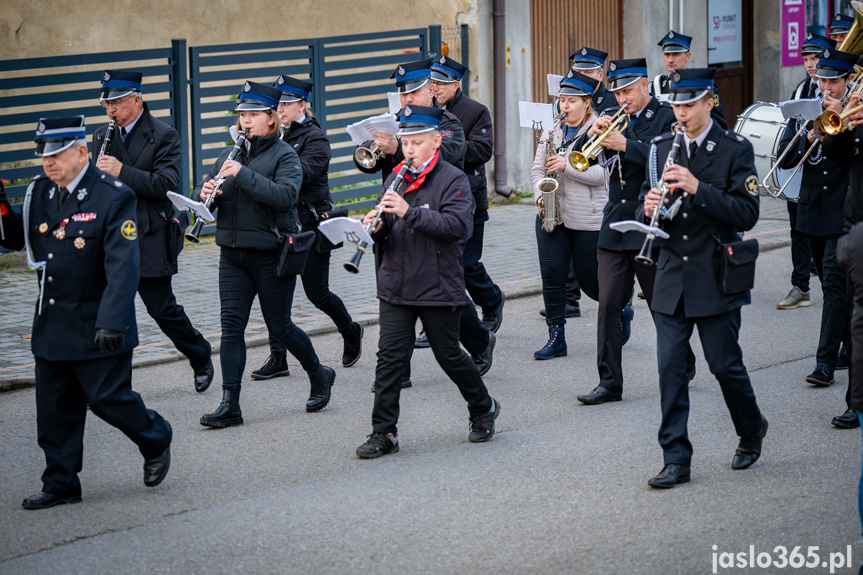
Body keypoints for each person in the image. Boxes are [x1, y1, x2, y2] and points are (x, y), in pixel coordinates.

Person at [0, 116, 171, 509]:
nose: (48, 162)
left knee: (109, 399)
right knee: (54, 408)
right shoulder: (40, 192)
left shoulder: (112, 195)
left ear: (81, 152)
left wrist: (112, 320)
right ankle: (61, 482)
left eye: (57, 154)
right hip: (54, 319)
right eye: (43, 154)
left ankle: (155, 436)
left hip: (99, 321)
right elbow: (14, 241)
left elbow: (123, 266)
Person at [641, 68, 767, 488]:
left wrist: (698, 188)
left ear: (709, 102)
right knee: (670, 370)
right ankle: (675, 458)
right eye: (675, 104)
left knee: (724, 366)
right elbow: (653, 207)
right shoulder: (661, 147)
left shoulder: (734, 148)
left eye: (688, 104)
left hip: (715, 275)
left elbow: (747, 214)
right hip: (672, 275)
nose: (680, 112)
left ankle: (751, 429)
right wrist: (648, 207)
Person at [355, 105, 499, 459]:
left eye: (417, 143)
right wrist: (373, 223)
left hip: (437, 282)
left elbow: (456, 228)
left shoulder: (454, 179)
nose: (409, 150)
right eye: (405, 143)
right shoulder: (396, 176)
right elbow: (391, 224)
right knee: (388, 359)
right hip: (396, 282)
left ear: (436, 141)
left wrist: (409, 212)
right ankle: (383, 432)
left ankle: (483, 407)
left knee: (448, 355)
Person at [194, 81, 335, 427]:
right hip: (233, 255)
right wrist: (205, 192)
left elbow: (286, 196)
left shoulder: (285, 155)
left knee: (280, 326)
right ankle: (230, 404)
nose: (246, 121)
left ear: (271, 118)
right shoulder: (230, 155)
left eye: (253, 114)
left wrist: (242, 176)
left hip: (271, 254)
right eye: (242, 115)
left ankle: (318, 373)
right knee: (231, 329)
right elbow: (216, 192)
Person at [574, 58, 694, 405]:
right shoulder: (611, 116)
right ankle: (609, 382)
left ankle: (682, 362)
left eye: (627, 90)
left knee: (661, 305)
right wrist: (592, 136)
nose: (622, 97)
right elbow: (583, 159)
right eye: (617, 92)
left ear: (644, 84)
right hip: (614, 222)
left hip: (651, 222)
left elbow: (670, 158)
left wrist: (625, 144)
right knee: (609, 305)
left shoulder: (667, 115)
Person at [93, 70, 214, 393]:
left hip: (149, 232)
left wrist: (121, 171)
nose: (111, 110)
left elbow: (165, 185)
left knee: (161, 309)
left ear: (136, 99)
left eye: (117, 103)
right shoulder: (100, 136)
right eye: (107, 104)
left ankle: (200, 353)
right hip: (111, 235)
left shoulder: (164, 135)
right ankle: (114, 384)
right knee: (110, 311)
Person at [250, 75, 363, 380]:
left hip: (310, 226)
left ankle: (351, 330)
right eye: (278, 103)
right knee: (272, 292)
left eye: (287, 103)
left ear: (302, 104)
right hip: (277, 225)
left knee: (317, 293)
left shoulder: (316, 139)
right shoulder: (270, 135)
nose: (281, 108)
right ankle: (278, 358)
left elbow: (300, 176)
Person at [777, 48, 853, 391]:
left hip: (842, 211)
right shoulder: (805, 112)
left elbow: (847, 156)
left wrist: (838, 123)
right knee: (834, 287)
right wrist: (809, 133)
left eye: (833, 81)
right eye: (821, 80)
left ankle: (824, 362)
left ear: (847, 81)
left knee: (836, 288)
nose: (826, 87)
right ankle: (852, 347)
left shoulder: (854, 112)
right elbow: (785, 160)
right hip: (811, 210)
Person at [530, 71, 607, 359]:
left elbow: (603, 176)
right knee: (551, 276)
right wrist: (541, 195)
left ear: (587, 102)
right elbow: (537, 170)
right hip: (551, 214)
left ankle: (620, 308)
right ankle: (556, 337)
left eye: (571, 101)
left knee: (591, 282)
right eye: (562, 100)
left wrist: (568, 167)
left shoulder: (600, 132)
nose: (565, 106)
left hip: (587, 218)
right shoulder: (551, 131)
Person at [430, 55, 506, 334]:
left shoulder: (475, 111)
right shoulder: (424, 111)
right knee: (436, 265)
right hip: (433, 199)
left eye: (441, 83)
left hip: (467, 198)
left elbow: (482, 151)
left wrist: (446, 148)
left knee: (465, 264)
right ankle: (434, 322)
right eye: (432, 83)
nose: (434, 88)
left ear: (456, 84)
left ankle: (492, 300)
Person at [778, 32, 837, 311]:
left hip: (835, 183)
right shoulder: (801, 91)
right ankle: (801, 285)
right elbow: (788, 144)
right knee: (798, 229)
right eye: (806, 59)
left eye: (816, 58)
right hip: (806, 172)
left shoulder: (845, 95)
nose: (810, 65)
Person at [822, 80, 863, 429]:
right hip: (856, 226)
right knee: (856, 323)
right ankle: (856, 402)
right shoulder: (856, 114)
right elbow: (838, 158)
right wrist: (839, 123)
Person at [649, 31, 727, 129]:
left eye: (676, 54)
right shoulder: (657, 85)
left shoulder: (701, 84)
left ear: (687, 56)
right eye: (667, 55)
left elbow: (719, 122)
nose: (670, 60)